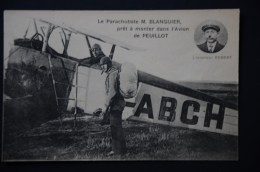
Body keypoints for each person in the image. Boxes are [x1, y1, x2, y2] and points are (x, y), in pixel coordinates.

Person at [99, 56, 127, 156]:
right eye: (101, 65)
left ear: (109, 64)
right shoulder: (113, 72)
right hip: (117, 104)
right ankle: (120, 150)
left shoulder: (112, 74)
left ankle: (118, 151)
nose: (102, 67)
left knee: (115, 127)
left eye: (104, 64)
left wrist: (106, 106)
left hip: (116, 104)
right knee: (116, 127)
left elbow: (112, 92)